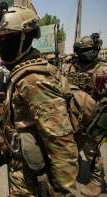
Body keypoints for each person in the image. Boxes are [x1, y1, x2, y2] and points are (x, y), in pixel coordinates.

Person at [0, 3, 78, 196]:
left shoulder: (34, 80)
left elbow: (62, 144)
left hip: (33, 180)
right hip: (23, 169)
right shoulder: (20, 71)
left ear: (25, 36)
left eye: (5, 37)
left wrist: (64, 191)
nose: (0, 43)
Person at [62, 33, 107, 197]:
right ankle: (73, 170)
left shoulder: (102, 68)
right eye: (83, 50)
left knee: (92, 151)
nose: (87, 53)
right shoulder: (69, 66)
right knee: (71, 148)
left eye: (90, 49)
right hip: (72, 116)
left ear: (96, 49)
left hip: (92, 117)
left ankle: (97, 182)